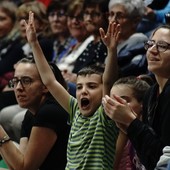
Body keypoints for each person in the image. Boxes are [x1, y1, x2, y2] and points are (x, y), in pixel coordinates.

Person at [25, 11, 120, 169]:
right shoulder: (75, 110)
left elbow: (108, 80)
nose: (83, 91)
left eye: (92, 86)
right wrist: (34, 43)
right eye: (79, 86)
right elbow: (49, 80)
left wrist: (111, 50)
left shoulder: (105, 115)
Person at [102, 24, 170, 170]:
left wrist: (131, 122)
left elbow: (163, 158)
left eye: (162, 46)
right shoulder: (151, 93)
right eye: (151, 44)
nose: (152, 50)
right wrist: (128, 127)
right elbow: (149, 156)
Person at [0, 57, 70, 170]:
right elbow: (18, 164)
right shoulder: (30, 113)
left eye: (26, 81)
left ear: (46, 86)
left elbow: (25, 168)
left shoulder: (50, 111)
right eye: (15, 81)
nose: (18, 88)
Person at [111, 76, 151, 170]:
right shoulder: (119, 131)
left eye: (123, 100)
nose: (116, 106)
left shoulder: (152, 131)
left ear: (143, 103)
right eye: (112, 102)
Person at [108, 0, 149, 76]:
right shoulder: (112, 41)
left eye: (120, 16)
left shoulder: (138, 40)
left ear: (135, 21)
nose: (113, 20)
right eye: (111, 14)